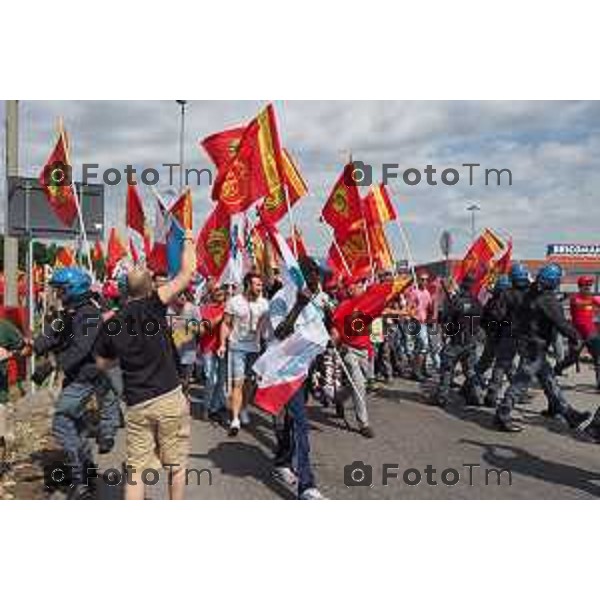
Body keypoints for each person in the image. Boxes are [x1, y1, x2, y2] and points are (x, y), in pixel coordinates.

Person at [94, 229, 196, 500]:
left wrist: (121, 355)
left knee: (136, 470)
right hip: (169, 396)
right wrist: (187, 240)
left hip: (137, 402)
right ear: (150, 287)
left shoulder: (112, 322)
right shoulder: (155, 304)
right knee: (176, 465)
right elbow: (187, 273)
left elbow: (102, 363)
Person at [33, 267, 120, 499]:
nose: (57, 294)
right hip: (77, 376)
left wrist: (52, 364)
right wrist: (34, 344)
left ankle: (78, 479)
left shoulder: (89, 314)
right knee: (78, 426)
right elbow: (55, 332)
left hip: (88, 377)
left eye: (60, 290)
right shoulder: (71, 312)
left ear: (73, 289)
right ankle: (87, 472)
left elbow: (82, 347)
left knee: (61, 422)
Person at [495, 263, 591, 432]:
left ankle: (567, 413)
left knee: (549, 380)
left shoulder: (531, 294)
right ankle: (502, 414)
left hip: (529, 342)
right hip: (534, 346)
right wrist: (576, 337)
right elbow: (561, 323)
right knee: (521, 381)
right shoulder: (547, 299)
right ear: (554, 282)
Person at [269, 256, 329, 499]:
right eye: (316, 273)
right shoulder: (280, 299)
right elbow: (281, 333)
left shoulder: (318, 300)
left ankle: (282, 461)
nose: (320, 279)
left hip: (305, 369)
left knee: (293, 421)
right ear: (303, 275)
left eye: (321, 274)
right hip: (284, 370)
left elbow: (320, 333)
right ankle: (307, 485)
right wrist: (298, 306)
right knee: (302, 424)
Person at [218, 271, 269, 436]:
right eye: (257, 284)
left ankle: (244, 407)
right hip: (237, 347)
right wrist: (222, 344)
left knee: (250, 383)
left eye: (261, 285)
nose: (260, 287)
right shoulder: (234, 302)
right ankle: (235, 419)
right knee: (238, 383)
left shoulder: (264, 304)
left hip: (255, 348)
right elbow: (225, 324)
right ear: (248, 285)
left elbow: (268, 326)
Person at [481, 265, 529, 408]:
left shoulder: (505, 296)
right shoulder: (529, 294)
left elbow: (496, 316)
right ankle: (515, 393)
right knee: (513, 366)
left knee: (502, 365)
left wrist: (502, 324)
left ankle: (493, 394)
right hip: (521, 335)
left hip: (507, 334)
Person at [435, 273, 484, 407]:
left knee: (447, 369)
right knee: (471, 371)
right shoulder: (477, 303)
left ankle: (442, 397)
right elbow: (482, 321)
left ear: (462, 286)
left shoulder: (455, 301)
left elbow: (445, 319)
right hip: (471, 341)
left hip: (456, 341)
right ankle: (477, 396)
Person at [554, 275, 600, 390]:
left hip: (591, 333)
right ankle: (555, 371)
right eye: (587, 285)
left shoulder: (591, 298)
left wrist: (595, 301)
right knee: (572, 359)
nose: (589, 287)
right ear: (580, 286)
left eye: (590, 285)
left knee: (598, 359)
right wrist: (593, 301)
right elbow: (580, 303)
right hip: (577, 334)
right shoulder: (575, 299)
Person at [199, 285, 227, 421]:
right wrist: (221, 316)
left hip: (224, 349)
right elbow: (205, 327)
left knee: (221, 381)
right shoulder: (206, 309)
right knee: (212, 379)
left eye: (222, 289)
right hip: (208, 348)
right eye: (217, 290)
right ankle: (206, 407)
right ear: (211, 293)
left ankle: (214, 409)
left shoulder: (229, 306)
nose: (220, 292)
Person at [406, 271, 434, 382]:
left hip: (424, 323)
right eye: (422, 279)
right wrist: (414, 314)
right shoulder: (414, 292)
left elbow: (429, 307)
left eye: (426, 279)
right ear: (418, 280)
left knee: (423, 348)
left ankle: (422, 370)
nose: (424, 281)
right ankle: (416, 372)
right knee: (422, 346)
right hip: (415, 322)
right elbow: (408, 308)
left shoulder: (427, 293)